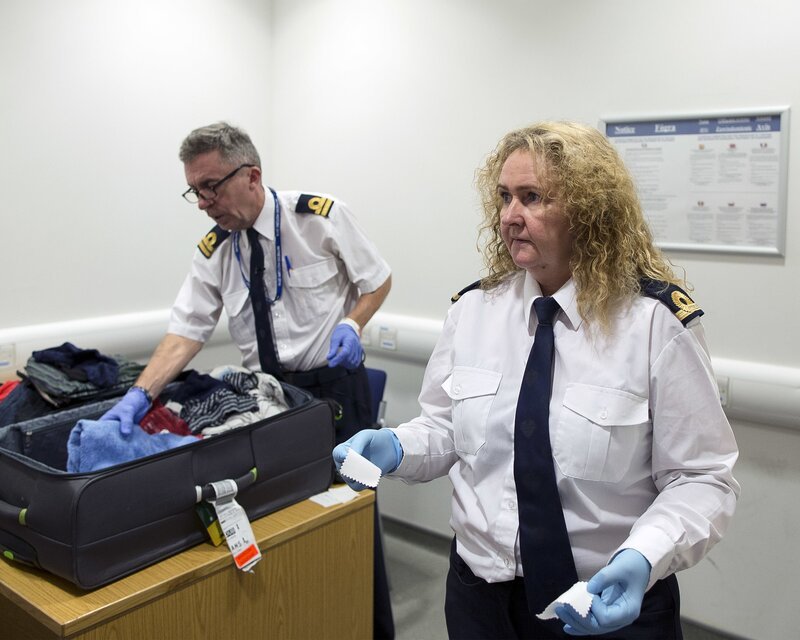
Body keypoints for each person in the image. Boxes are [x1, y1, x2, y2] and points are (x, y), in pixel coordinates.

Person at [333, 121, 739, 639]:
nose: (509, 217)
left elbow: (701, 477)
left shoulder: (654, 322)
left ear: (589, 213)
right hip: (479, 597)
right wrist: (394, 445)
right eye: (504, 197)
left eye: (532, 197)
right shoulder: (475, 311)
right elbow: (444, 428)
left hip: (601, 603)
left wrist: (643, 556)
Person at [102, 122, 394, 638]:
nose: (202, 201)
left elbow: (378, 279)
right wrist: (137, 395)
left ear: (252, 176)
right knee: (283, 522)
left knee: (350, 518)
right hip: (267, 400)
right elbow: (186, 330)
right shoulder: (215, 248)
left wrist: (353, 322)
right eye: (195, 189)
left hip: (334, 393)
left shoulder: (318, 217)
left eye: (211, 186)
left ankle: (369, 628)